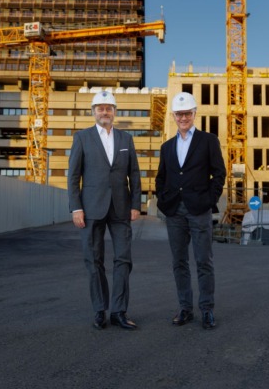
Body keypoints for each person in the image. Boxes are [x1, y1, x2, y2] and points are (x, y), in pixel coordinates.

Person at [68, 90, 141, 330]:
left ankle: (119, 311)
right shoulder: (82, 137)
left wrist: (135, 205)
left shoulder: (125, 139)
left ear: (115, 112)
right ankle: (100, 309)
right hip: (90, 208)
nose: (105, 112)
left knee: (124, 260)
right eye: (100, 108)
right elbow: (74, 176)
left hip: (121, 208)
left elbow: (134, 174)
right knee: (93, 260)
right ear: (93, 112)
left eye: (109, 108)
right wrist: (76, 207)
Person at [155, 92, 226, 330]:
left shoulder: (208, 141)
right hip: (174, 211)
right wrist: (163, 202)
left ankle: (207, 310)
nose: (183, 117)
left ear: (194, 114)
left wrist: (209, 200)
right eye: (179, 114)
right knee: (179, 262)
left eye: (187, 113)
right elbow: (161, 178)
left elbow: (219, 174)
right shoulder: (167, 147)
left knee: (203, 261)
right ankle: (185, 308)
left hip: (199, 210)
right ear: (173, 116)